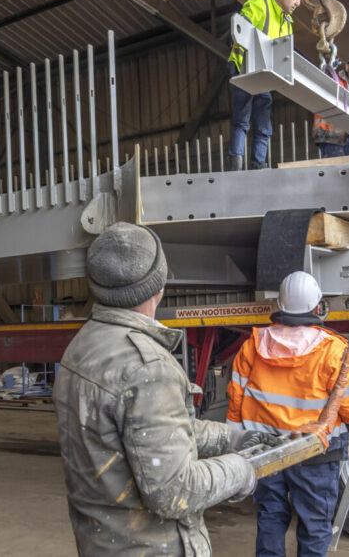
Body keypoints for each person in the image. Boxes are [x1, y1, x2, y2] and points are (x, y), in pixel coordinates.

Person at [53, 222, 265, 556]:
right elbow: (174, 490)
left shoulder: (81, 348)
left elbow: (151, 435)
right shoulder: (149, 368)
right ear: (159, 286)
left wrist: (231, 438)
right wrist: (242, 470)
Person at [227, 271, 349, 557]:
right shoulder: (333, 350)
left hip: (265, 449)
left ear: (280, 304)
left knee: (270, 516)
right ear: (317, 307)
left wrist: (235, 443)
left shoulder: (252, 345)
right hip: (313, 450)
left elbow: (236, 400)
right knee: (315, 525)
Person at [228, 0, 307, 170]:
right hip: (244, 68)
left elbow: (282, 53)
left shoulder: (287, 22)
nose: (298, 3)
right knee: (242, 120)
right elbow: (241, 33)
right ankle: (236, 164)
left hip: (264, 75)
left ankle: (258, 165)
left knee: (264, 126)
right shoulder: (258, 5)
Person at [313, 56, 349, 158]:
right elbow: (325, 80)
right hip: (331, 136)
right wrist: (330, 69)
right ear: (347, 67)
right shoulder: (335, 81)